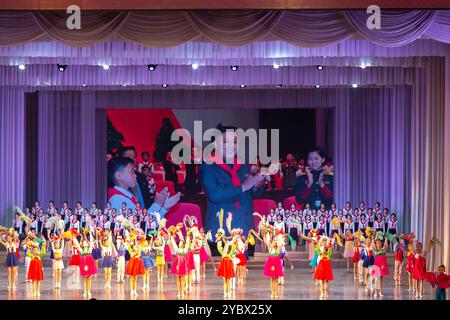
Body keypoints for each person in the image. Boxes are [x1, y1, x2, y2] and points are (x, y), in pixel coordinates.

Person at [200, 125, 265, 247]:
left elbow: (252, 193)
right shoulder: (208, 165)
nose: (231, 145)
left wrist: (256, 186)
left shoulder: (243, 165)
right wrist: (243, 187)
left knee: (245, 265)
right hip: (221, 230)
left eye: (235, 142)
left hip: (245, 228)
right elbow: (214, 194)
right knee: (222, 265)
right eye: (226, 142)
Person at [107, 157, 180, 218]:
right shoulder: (118, 199)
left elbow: (146, 221)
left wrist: (164, 207)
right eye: (131, 172)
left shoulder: (123, 196)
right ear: (119, 176)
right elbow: (143, 225)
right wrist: (157, 204)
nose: (135, 175)